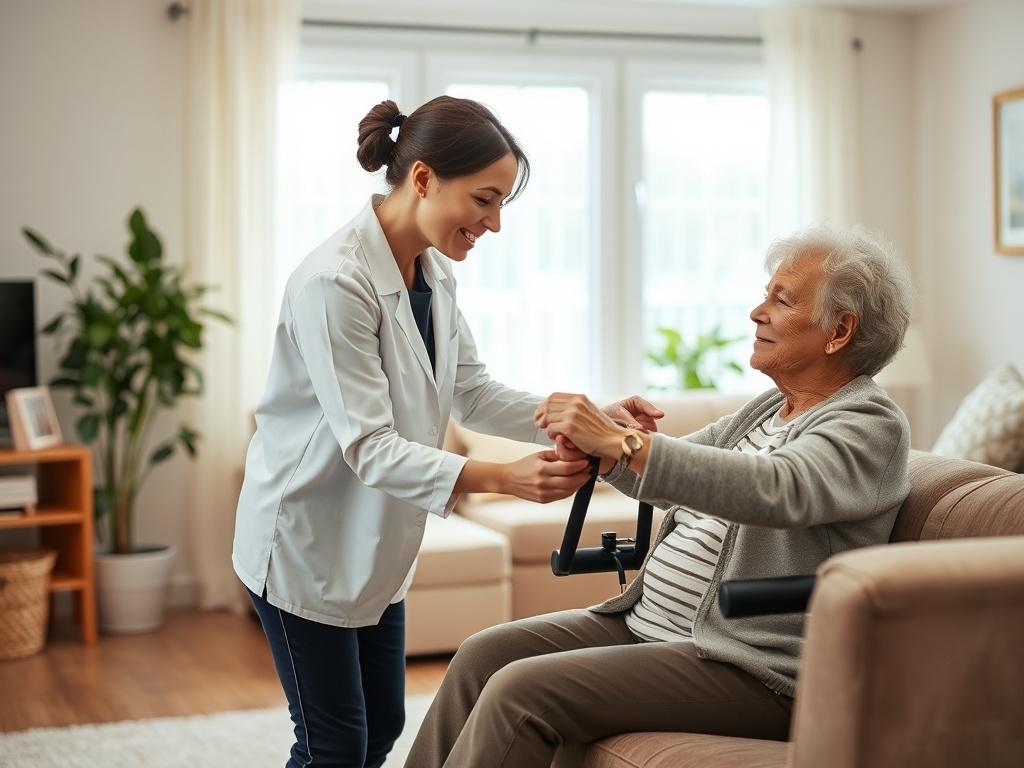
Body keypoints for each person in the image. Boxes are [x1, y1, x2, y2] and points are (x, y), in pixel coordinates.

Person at [231, 95, 661, 768]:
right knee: (334, 746)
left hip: (373, 545)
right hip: (303, 544)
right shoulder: (333, 281)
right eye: (485, 200)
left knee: (379, 729)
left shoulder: (435, 273)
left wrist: (588, 417)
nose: (493, 223)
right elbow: (368, 445)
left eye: (502, 206)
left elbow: (472, 392)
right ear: (424, 178)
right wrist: (501, 478)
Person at [407, 225, 914, 767]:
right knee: (482, 655)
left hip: (753, 665)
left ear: (839, 331)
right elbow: (665, 477)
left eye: (781, 299)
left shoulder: (869, 424)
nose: (756, 312)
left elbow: (779, 489)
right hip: (649, 627)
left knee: (521, 692)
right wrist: (605, 446)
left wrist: (625, 444)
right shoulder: (767, 410)